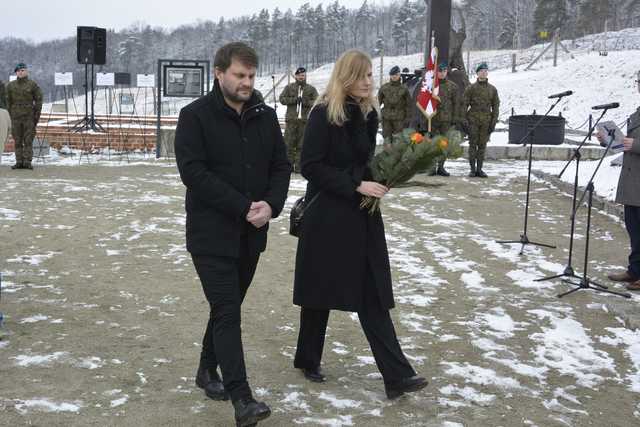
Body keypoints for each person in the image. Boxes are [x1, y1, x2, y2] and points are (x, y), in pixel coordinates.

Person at [292, 49, 428, 400]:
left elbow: (362, 162)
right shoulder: (324, 113)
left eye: (371, 75)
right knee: (319, 291)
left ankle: (396, 376)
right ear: (347, 77)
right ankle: (308, 358)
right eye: (364, 75)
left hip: (362, 215)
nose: (370, 81)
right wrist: (356, 184)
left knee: (372, 292)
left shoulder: (368, 115)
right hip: (327, 217)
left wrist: (387, 174)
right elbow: (310, 165)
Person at [174, 42, 291, 427]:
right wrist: (243, 206)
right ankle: (242, 399)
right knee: (227, 311)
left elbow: (281, 165)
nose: (246, 82)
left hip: (252, 234)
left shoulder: (266, 116)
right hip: (210, 235)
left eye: (251, 76)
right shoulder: (194, 117)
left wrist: (271, 205)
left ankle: (206, 370)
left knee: (227, 308)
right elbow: (194, 173)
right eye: (239, 75)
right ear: (219, 73)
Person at [603, 75, 640, 290]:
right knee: (634, 230)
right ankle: (634, 271)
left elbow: (634, 144)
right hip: (632, 182)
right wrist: (610, 141)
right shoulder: (637, 111)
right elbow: (625, 145)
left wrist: (635, 144)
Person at [413, 61, 462, 176]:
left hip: (446, 120)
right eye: (440, 71)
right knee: (433, 144)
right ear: (436, 72)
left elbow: (456, 104)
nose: (442, 73)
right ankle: (432, 167)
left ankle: (441, 167)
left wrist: (455, 119)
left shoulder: (453, 87)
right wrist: (423, 119)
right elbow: (423, 102)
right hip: (432, 119)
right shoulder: (430, 86)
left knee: (444, 144)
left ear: (447, 72)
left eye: (444, 71)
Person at [462, 62, 499, 178]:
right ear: (477, 73)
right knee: (473, 145)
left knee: (482, 146)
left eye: (485, 70)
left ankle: (480, 169)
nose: (484, 72)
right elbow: (464, 105)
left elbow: (496, 107)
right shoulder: (471, 88)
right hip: (473, 121)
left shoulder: (492, 89)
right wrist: (464, 121)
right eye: (481, 71)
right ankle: (472, 170)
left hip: (486, 122)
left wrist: (493, 122)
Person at [279, 67, 318, 172]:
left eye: (303, 75)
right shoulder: (289, 87)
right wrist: (294, 100)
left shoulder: (311, 89)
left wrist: (305, 102)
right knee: (289, 144)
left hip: (304, 121)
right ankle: (288, 166)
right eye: (300, 75)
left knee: (302, 145)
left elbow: (317, 101)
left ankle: (299, 167)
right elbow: (281, 99)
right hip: (291, 120)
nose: (301, 77)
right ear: (296, 76)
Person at [6, 63, 42, 170]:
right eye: (18, 71)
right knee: (17, 140)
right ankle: (19, 161)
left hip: (28, 117)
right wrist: (9, 116)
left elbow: (39, 99)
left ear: (26, 71)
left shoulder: (32, 85)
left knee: (28, 140)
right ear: (16, 73)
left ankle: (27, 162)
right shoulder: (11, 86)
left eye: (22, 70)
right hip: (15, 117)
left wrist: (37, 114)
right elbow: (7, 101)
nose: (20, 72)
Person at [377, 65, 411, 138]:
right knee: (387, 139)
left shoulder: (404, 89)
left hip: (399, 119)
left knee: (398, 140)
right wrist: (376, 116)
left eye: (396, 75)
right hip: (386, 118)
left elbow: (409, 105)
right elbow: (377, 103)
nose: (394, 77)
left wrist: (408, 118)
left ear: (399, 75)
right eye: (392, 75)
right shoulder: (384, 88)